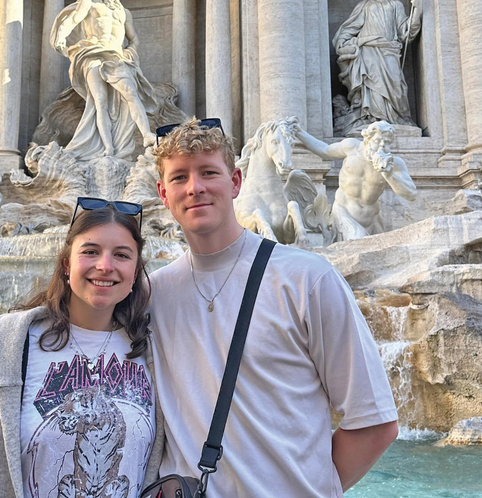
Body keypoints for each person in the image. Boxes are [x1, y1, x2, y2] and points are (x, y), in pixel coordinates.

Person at [147, 118, 399, 497]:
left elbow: (375, 422)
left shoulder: (307, 278)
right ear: (163, 193)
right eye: (179, 177)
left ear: (235, 182)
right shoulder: (153, 294)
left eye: (208, 173)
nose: (195, 188)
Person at [0, 198, 164, 497]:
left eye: (121, 255)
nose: (105, 266)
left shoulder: (150, 349)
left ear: (135, 273)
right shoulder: (12, 340)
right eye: (90, 251)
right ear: (67, 263)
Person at [50, 0, 157, 160]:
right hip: (92, 53)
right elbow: (72, 20)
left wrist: (130, 51)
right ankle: (108, 147)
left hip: (116, 57)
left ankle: (147, 134)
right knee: (100, 101)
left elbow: (134, 39)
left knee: (131, 93)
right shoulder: (88, 3)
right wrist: (60, 39)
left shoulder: (123, 11)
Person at [294, 120, 417, 240]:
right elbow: (324, 150)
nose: (381, 146)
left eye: (387, 143)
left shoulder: (395, 164)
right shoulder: (351, 147)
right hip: (344, 212)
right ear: (367, 140)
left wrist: (389, 175)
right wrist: (299, 132)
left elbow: (411, 194)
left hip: (372, 218)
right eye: (377, 141)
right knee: (360, 243)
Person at [332, 0, 422, 135]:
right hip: (368, 51)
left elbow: (405, 32)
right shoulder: (365, 5)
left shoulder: (396, 4)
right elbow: (350, 28)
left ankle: (396, 118)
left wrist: (417, 10)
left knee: (396, 87)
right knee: (371, 84)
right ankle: (371, 118)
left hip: (389, 50)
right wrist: (342, 42)